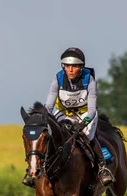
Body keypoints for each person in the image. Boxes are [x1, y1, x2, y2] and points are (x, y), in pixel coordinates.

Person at [22, 47, 115, 188]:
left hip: (85, 114)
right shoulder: (57, 81)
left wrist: (84, 123)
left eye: (74, 66)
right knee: (53, 137)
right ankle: (36, 171)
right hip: (63, 113)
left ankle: (102, 168)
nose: (70, 69)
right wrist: (43, 120)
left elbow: (91, 109)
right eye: (67, 66)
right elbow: (49, 107)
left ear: (81, 67)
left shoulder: (89, 81)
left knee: (88, 137)